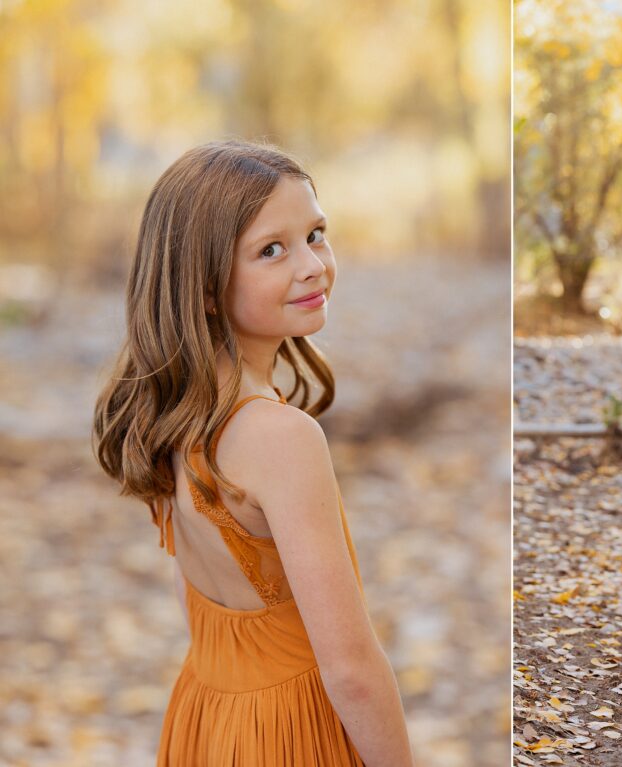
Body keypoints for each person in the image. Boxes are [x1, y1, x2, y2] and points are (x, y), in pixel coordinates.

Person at [92, 140, 415, 766]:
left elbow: (202, 608)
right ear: (206, 287)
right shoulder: (281, 438)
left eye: (316, 235)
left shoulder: (169, 414)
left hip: (207, 722)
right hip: (292, 733)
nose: (313, 265)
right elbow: (350, 669)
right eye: (272, 249)